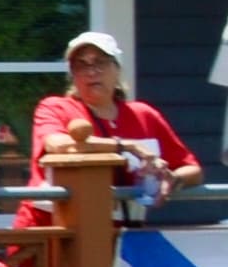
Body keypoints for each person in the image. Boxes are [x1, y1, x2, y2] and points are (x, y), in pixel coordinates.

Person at [22, 30, 203, 227]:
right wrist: (126, 146)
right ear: (72, 75)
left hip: (122, 233)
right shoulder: (55, 107)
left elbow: (193, 170)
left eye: (100, 62)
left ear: (117, 69)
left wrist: (173, 179)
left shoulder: (144, 115)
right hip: (49, 230)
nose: (91, 72)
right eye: (81, 65)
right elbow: (59, 145)